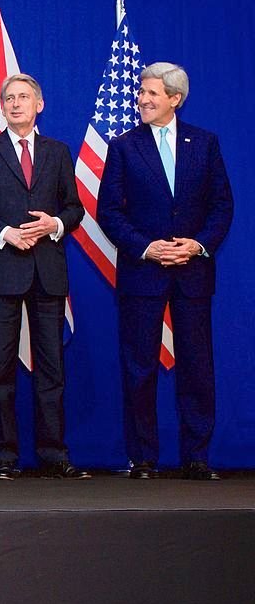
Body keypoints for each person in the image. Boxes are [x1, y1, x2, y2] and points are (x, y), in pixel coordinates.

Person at [97, 62, 233, 481]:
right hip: (143, 273)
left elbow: (221, 206)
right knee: (139, 366)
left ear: (175, 99)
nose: (143, 99)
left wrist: (197, 244)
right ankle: (142, 458)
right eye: (142, 92)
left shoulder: (204, 144)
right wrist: (146, 247)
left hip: (192, 273)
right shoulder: (123, 146)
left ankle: (196, 457)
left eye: (153, 93)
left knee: (196, 366)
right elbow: (109, 211)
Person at [0, 74, 89, 480]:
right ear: (1, 107)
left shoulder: (58, 152)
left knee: (52, 370)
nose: (16, 104)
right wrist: (5, 233)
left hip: (48, 271)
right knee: (0, 369)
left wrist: (53, 223)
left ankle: (54, 454)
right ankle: (3, 457)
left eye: (24, 98)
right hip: (2, 271)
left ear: (39, 104)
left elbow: (75, 208)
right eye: (9, 98)